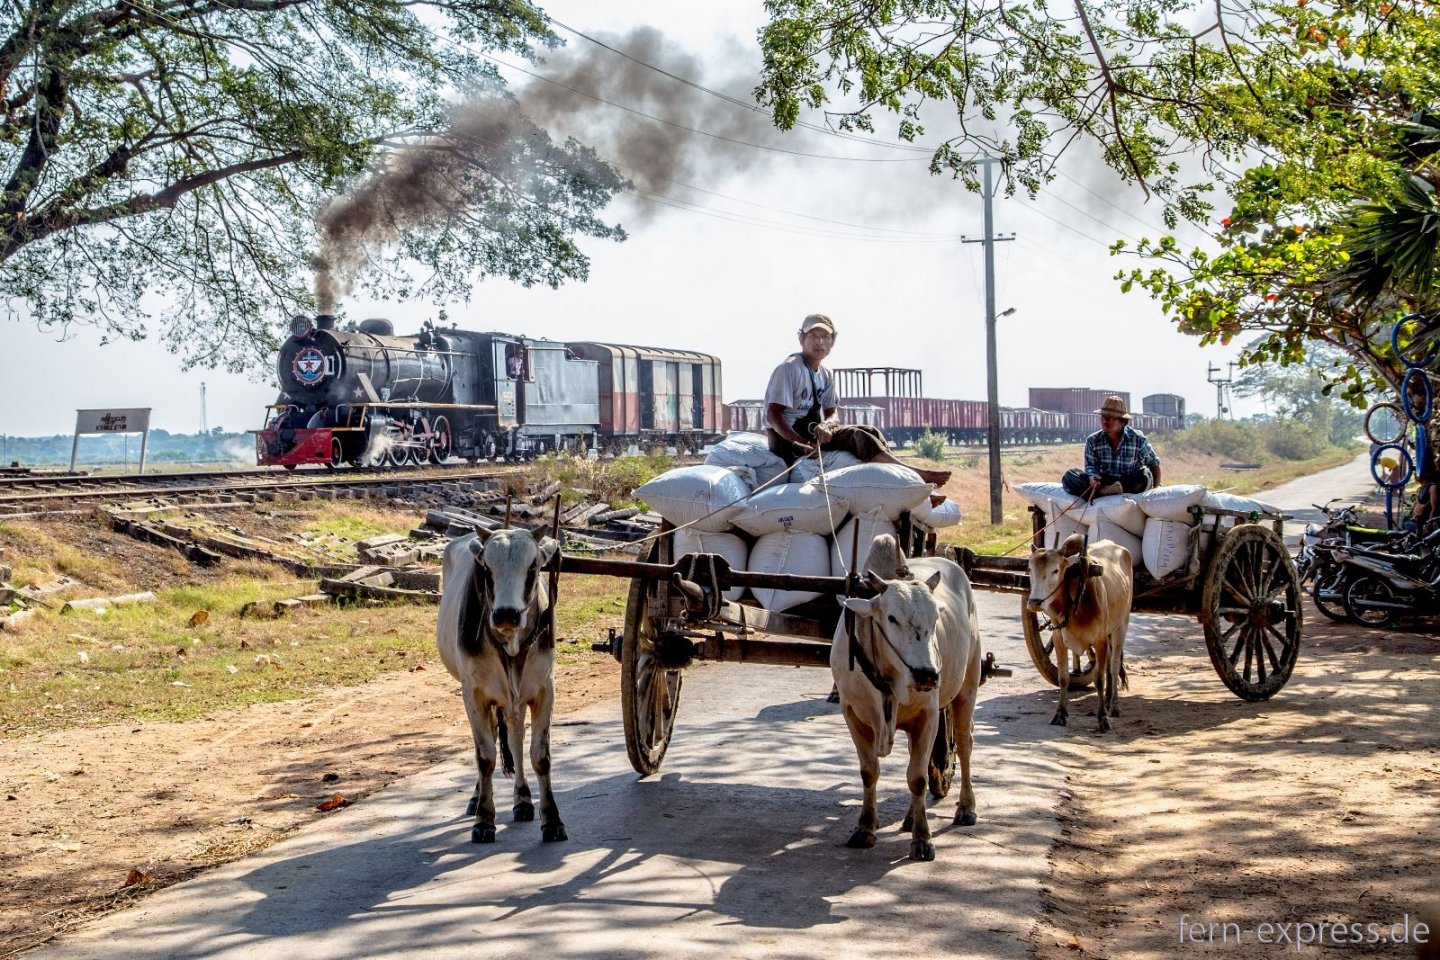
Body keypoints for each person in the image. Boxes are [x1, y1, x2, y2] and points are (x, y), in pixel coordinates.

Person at [764, 313, 951, 487]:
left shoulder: (825, 375)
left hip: (812, 432)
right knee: (857, 436)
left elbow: (832, 412)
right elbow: (773, 414)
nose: (819, 342)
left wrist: (827, 425)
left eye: (825, 336)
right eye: (813, 336)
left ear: (833, 341)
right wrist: (799, 443)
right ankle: (913, 474)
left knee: (871, 431)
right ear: (801, 339)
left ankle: (903, 481)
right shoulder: (789, 369)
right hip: (789, 440)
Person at [1061, 395, 1162, 498]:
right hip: (1103, 483)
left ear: (1122, 421)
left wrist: (1156, 486)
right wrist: (1092, 477)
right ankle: (1104, 491)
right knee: (1070, 476)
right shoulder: (1092, 440)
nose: (1105, 421)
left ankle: (1104, 492)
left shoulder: (1138, 439)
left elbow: (1154, 463)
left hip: (1128, 483)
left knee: (1144, 475)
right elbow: (1090, 466)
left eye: (1110, 418)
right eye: (1103, 417)